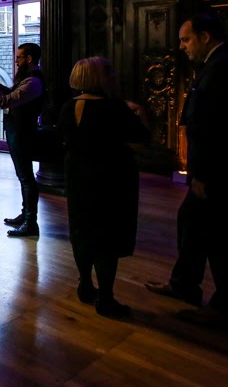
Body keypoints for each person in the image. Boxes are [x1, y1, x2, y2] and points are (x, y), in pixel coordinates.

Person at [145, 14, 228, 328]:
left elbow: (219, 129)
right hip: (217, 169)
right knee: (191, 223)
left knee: (224, 238)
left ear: (205, 36)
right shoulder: (222, 64)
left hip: (221, 173)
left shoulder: (224, 68)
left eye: (186, 39)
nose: (181, 47)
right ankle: (184, 284)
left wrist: (203, 175)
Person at [58, 57, 149, 317]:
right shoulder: (115, 108)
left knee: (82, 229)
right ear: (101, 77)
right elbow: (141, 141)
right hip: (111, 176)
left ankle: (85, 284)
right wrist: (140, 114)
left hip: (77, 175)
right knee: (108, 235)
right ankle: (106, 298)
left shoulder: (68, 107)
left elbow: (63, 139)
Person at [0, 43, 45, 237]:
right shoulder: (26, 79)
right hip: (17, 131)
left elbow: (5, 100)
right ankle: (25, 215)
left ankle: (30, 222)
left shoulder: (33, 82)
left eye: (19, 57)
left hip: (23, 133)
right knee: (23, 176)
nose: (16, 61)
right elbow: (8, 93)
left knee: (26, 178)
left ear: (29, 58)